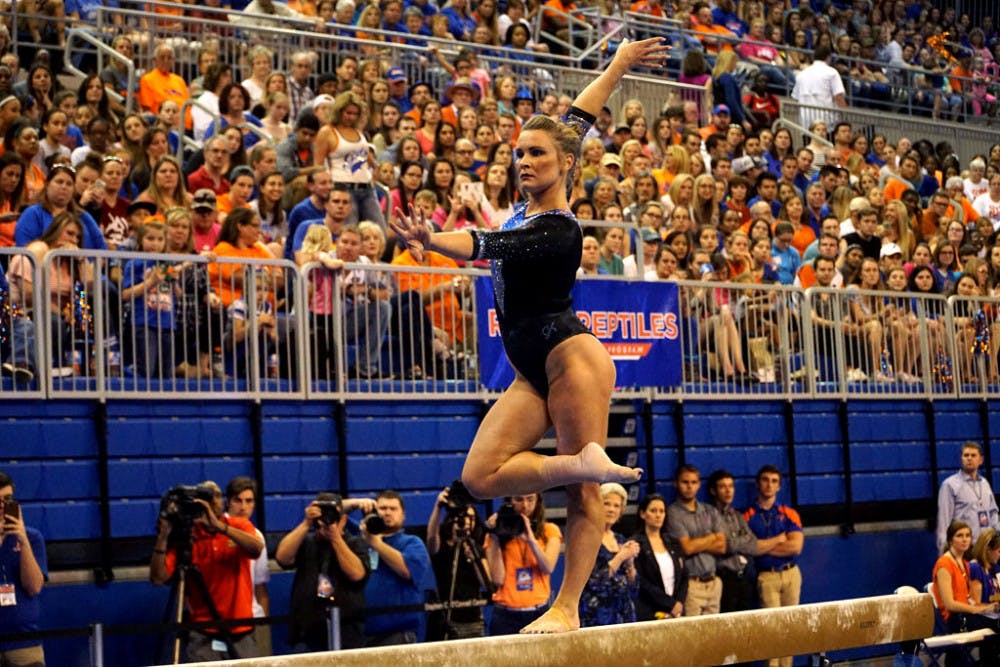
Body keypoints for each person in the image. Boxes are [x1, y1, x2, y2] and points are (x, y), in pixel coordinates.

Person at [389, 37, 668, 634]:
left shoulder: (558, 229)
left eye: (536, 154)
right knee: (479, 477)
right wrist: (617, 65)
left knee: (584, 495)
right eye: (518, 153)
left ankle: (564, 608)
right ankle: (580, 462)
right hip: (530, 370)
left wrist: (434, 240)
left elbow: (487, 245)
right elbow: (580, 118)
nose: (524, 161)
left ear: (565, 164)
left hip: (572, 361)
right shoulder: (529, 201)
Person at [149, 480, 264, 661]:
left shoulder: (238, 525)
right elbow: (158, 578)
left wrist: (220, 527)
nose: (212, 501)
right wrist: (163, 536)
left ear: (223, 502)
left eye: (216, 495)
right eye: (205, 497)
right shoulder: (188, 537)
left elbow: (256, 548)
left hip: (241, 629)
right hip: (204, 632)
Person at [275, 493, 371, 652]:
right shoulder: (307, 541)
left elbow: (357, 574)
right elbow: (282, 558)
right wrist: (306, 523)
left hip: (346, 632)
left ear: (344, 520)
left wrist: (335, 538)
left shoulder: (355, 543)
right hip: (307, 634)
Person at [743, 466, 804, 667]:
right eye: (765, 480)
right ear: (759, 483)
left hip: (791, 573)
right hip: (766, 577)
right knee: (773, 627)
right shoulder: (748, 515)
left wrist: (763, 546)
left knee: (790, 626)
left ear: (779, 486)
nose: (769, 484)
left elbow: (796, 546)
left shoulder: (788, 513)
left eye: (774, 481)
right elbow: (750, 548)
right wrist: (778, 540)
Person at [361, 490, 435, 647]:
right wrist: (355, 503)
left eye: (393, 509)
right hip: (362, 632)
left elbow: (406, 570)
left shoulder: (412, 543)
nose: (387, 513)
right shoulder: (361, 538)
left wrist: (376, 543)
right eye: (382, 508)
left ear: (403, 515)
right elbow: (336, 514)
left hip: (398, 633)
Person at [708, 469, 786, 614]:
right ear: (713, 491)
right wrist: (738, 542)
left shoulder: (737, 515)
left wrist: (735, 543)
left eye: (731, 486)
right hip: (725, 577)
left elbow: (753, 544)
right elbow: (724, 545)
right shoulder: (709, 516)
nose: (728, 491)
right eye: (722, 487)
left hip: (745, 577)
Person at [484, 493, 562, 635]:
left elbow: (548, 567)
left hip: (539, 613)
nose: (525, 505)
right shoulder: (497, 535)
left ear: (538, 500)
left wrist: (530, 540)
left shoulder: (549, 530)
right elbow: (498, 579)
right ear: (510, 500)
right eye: (519, 499)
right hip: (506, 615)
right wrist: (495, 536)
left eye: (530, 499)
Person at [425, 486, 490, 639]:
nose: (466, 521)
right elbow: (431, 540)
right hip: (446, 619)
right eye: (462, 516)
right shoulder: (443, 548)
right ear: (453, 518)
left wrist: (474, 559)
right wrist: (438, 507)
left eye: (471, 518)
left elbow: (487, 584)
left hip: (472, 619)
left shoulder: (475, 547)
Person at [932, 520, 997, 665]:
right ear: (950, 540)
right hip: (954, 620)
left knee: (993, 621)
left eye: (968, 535)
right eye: (959, 535)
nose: (964, 539)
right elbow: (950, 604)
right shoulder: (944, 565)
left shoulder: (965, 564)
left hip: (965, 616)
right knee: (994, 625)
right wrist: (978, 609)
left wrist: (985, 607)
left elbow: (967, 597)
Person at [0, 472, 47, 667]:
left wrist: (22, 540)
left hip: (24, 642)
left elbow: (34, 586)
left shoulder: (32, 538)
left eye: (7, 499)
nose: (2, 506)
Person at [668, 464, 725, 616]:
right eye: (685, 482)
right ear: (676, 483)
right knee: (694, 635)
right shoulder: (673, 513)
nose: (689, 487)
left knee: (715, 632)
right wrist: (712, 537)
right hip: (691, 584)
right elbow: (686, 548)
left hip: (714, 581)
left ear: (699, 485)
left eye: (693, 482)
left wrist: (697, 543)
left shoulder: (709, 510)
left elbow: (722, 546)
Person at [579, 482, 639, 627]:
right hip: (596, 615)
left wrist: (630, 563)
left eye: (616, 506)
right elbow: (595, 583)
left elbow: (634, 588)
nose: (612, 510)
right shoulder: (586, 538)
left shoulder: (620, 540)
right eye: (607, 504)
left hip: (623, 614)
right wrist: (620, 557)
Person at [224, 477, 271, 656]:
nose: (243, 507)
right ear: (228, 501)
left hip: (253, 618)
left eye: (249, 501)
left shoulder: (257, 536)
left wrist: (264, 623)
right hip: (220, 621)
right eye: (238, 500)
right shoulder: (214, 530)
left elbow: (260, 586)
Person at [936, 441, 1000, 553]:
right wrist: (944, 551)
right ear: (961, 459)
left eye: (973, 455)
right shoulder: (950, 485)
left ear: (981, 460)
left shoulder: (984, 483)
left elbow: (993, 514)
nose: (969, 458)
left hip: (987, 548)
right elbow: (944, 521)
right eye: (966, 455)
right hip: (965, 549)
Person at [632, 493, 687, 621]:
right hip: (649, 610)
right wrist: (670, 604)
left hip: (675, 610)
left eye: (662, 511)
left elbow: (684, 575)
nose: (658, 515)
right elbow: (641, 581)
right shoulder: (636, 544)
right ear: (642, 514)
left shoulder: (673, 542)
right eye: (653, 511)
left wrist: (679, 603)